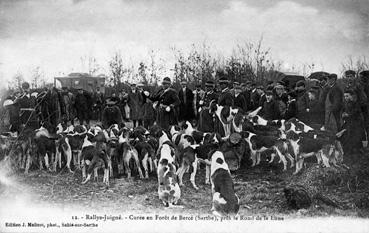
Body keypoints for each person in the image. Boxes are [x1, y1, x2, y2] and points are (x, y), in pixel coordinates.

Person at [340, 89, 365, 154]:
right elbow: (343, 111)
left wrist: (348, 114)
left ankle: (357, 149)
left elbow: (356, 112)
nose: (346, 98)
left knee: (355, 136)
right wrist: (343, 114)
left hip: (356, 122)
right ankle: (348, 150)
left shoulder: (355, 103)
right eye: (345, 96)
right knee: (346, 135)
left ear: (351, 96)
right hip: (348, 122)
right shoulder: (345, 104)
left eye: (347, 96)